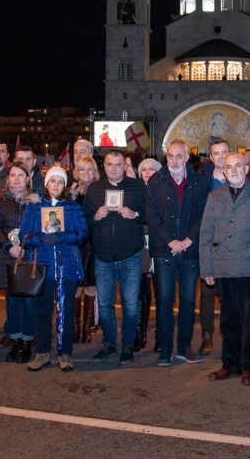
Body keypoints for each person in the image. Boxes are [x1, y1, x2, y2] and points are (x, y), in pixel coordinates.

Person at [201, 152, 250, 386]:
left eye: (238, 166)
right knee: (228, 320)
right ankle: (229, 364)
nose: (234, 170)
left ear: (246, 168)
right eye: (229, 167)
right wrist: (207, 267)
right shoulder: (214, 196)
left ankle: (248, 367)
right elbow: (206, 233)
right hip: (223, 266)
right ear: (224, 171)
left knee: (249, 321)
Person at [16, 167, 87, 371]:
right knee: (43, 311)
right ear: (46, 184)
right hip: (43, 268)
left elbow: (82, 233)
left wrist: (61, 236)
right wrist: (41, 238)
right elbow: (24, 236)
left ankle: (65, 353)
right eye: (52, 181)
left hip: (68, 267)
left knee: (66, 311)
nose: (56, 185)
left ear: (64, 185)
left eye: (60, 182)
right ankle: (42, 353)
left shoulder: (72, 207)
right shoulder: (35, 207)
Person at [146, 139, 210, 366]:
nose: (174, 160)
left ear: (187, 157)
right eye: (170, 156)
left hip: (190, 251)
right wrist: (171, 241)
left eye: (179, 156)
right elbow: (152, 216)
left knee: (188, 300)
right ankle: (165, 349)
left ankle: (184, 347)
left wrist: (187, 240)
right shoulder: (156, 181)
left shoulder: (199, 182)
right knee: (163, 300)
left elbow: (204, 214)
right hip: (165, 250)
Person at [84, 150, 146, 365]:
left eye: (118, 164)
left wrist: (135, 214)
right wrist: (95, 216)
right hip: (103, 258)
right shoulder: (94, 189)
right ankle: (109, 343)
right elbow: (84, 222)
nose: (113, 168)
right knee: (104, 304)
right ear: (104, 166)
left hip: (130, 256)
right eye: (109, 164)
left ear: (125, 165)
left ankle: (128, 346)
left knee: (130, 305)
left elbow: (150, 214)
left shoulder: (137, 187)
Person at [0, 162, 38, 362]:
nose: (16, 179)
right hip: (8, 257)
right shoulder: (0, 201)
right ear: (8, 179)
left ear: (28, 178)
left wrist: (28, 246)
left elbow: (42, 228)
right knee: (12, 301)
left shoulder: (36, 201)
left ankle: (27, 341)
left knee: (29, 301)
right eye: (12, 175)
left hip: (29, 257)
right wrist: (9, 247)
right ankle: (16, 339)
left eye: (20, 175)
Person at [198, 138, 232, 355]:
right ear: (210, 157)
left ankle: (229, 336)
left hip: (232, 244)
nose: (220, 157)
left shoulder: (240, 178)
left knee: (230, 294)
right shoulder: (201, 181)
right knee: (207, 293)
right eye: (216, 153)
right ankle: (207, 335)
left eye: (224, 152)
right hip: (210, 243)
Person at [70, 155, 99, 346]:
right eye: (82, 169)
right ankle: (74, 327)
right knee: (75, 288)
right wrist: (72, 197)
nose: (86, 173)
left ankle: (87, 327)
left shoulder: (100, 190)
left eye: (90, 170)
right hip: (76, 246)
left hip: (95, 244)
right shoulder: (70, 191)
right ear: (76, 172)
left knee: (91, 285)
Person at [134, 157, 161, 352]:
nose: (148, 172)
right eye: (144, 169)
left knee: (162, 293)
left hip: (159, 243)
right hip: (140, 245)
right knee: (141, 293)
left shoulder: (164, 190)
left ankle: (161, 335)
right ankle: (139, 333)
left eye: (152, 169)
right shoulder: (135, 192)